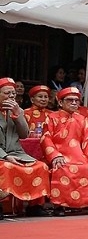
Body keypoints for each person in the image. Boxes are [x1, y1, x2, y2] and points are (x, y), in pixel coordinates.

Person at [41, 87, 88, 214]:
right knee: (61, 168)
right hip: (61, 155)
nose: (74, 103)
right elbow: (45, 138)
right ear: (60, 102)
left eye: (76, 100)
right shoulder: (51, 118)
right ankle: (60, 205)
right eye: (70, 100)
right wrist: (55, 155)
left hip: (80, 156)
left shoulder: (82, 119)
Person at [0, 77, 51, 217]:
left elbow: (24, 134)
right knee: (6, 167)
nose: (11, 96)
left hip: (16, 153)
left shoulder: (18, 111)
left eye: (13, 93)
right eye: (7, 93)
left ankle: (35, 206)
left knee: (41, 166)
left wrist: (18, 115)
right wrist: (5, 156)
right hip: (3, 155)